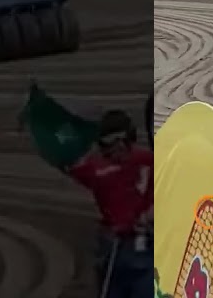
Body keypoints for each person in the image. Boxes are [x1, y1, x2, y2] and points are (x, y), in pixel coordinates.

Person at [66, 107, 154, 298]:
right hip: (118, 246)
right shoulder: (97, 169)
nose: (117, 148)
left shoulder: (149, 161)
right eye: (109, 144)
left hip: (139, 244)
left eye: (120, 141)